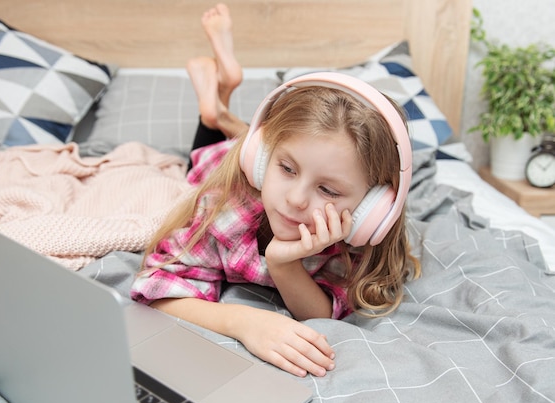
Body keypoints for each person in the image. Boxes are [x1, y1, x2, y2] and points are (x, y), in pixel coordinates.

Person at [131, 3, 420, 378]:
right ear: (262, 159)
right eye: (285, 168)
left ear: (372, 207)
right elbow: (158, 290)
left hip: (258, 154)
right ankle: (214, 114)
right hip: (217, 161)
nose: (296, 199)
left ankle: (218, 105)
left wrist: (284, 262)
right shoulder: (225, 208)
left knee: (269, 152)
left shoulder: (355, 240)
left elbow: (317, 314)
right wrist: (242, 322)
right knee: (196, 163)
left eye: (328, 190)